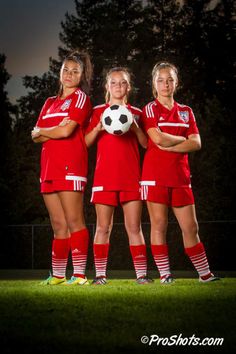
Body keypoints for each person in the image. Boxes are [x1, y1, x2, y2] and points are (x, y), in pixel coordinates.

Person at [141, 61, 219, 283]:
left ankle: (205, 274)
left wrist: (172, 143)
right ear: (154, 84)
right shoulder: (150, 109)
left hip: (181, 177)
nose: (165, 84)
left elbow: (196, 143)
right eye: (160, 80)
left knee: (191, 227)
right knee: (159, 225)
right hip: (154, 176)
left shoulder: (186, 111)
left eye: (170, 80)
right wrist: (182, 139)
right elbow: (157, 139)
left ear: (176, 83)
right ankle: (165, 274)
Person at [85, 67, 152, 285]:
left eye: (122, 83)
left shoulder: (137, 113)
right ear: (107, 86)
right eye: (113, 83)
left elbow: (145, 144)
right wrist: (97, 128)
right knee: (103, 227)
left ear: (128, 87)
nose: (118, 87)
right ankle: (100, 275)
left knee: (134, 227)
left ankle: (142, 275)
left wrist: (135, 127)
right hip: (104, 178)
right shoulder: (98, 111)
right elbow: (86, 142)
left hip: (131, 177)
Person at [31, 49, 93, 285]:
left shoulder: (80, 98)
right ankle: (58, 275)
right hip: (48, 168)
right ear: (59, 72)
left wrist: (45, 131)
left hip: (71, 166)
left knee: (74, 220)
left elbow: (66, 131)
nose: (69, 74)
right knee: (58, 224)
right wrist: (52, 130)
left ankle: (79, 274)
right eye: (65, 70)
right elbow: (34, 137)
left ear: (81, 76)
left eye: (74, 71)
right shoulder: (49, 102)